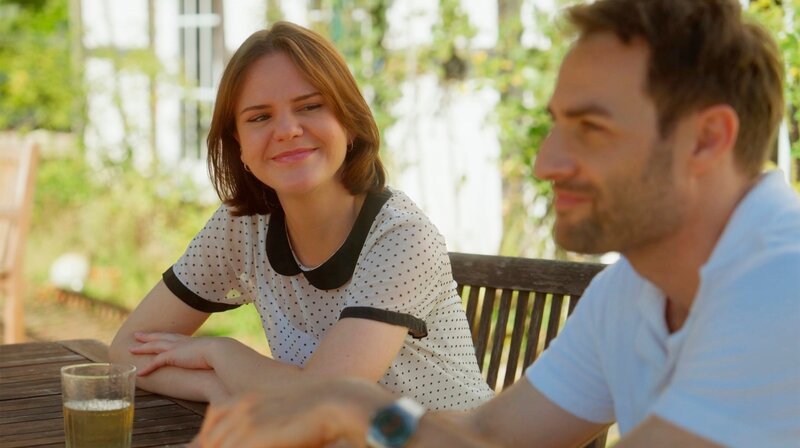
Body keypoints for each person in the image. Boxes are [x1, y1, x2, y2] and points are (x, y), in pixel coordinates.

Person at [187, 0, 800, 447]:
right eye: (555, 124)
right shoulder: (636, 291)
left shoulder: (782, 288)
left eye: (591, 128)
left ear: (707, 140)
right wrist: (348, 405)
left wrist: (343, 408)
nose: (545, 162)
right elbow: (486, 438)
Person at [109, 21, 494, 411]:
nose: (288, 130)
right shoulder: (242, 226)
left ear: (349, 122)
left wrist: (221, 353)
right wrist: (217, 389)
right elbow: (127, 352)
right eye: (259, 117)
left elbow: (322, 399)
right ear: (237, 143)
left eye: (310, 106)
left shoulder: (402, 236)